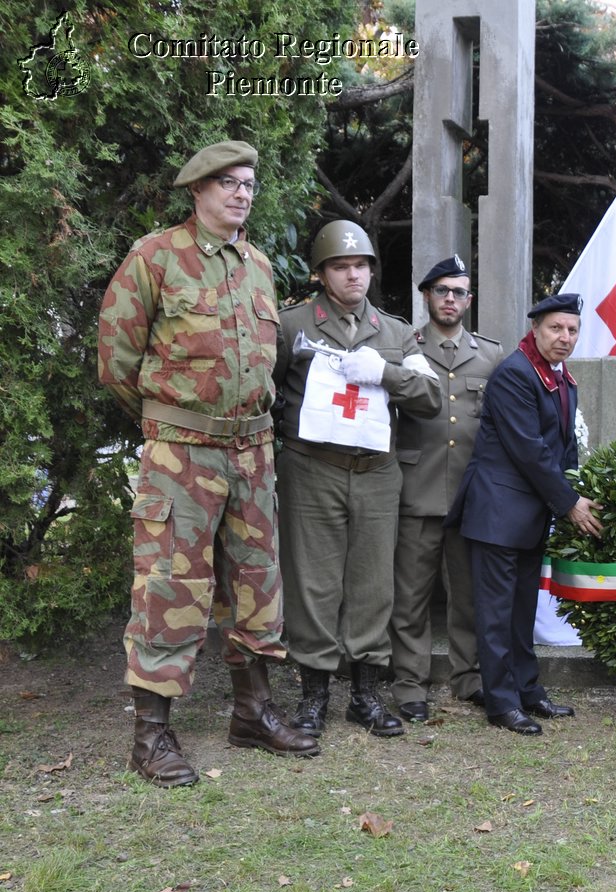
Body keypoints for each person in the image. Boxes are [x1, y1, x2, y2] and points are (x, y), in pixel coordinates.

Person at [98, 138, 317, 786]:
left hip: (252, 453)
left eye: (248, 183)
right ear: (197, 190)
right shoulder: (155, 258)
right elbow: (117, 362)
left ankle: (253, 713)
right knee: (171, 586)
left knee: (259, 587)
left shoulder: (257, 265)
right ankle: (152, 735)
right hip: (182, 455)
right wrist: (176, 421)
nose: (241, 193)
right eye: (227, 183)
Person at [275, 221, 442, 738]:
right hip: (312, 468)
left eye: (362, 265)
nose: (354, 275)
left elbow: (431, 399)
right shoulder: (292, 325)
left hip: (376, 473)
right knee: (314, 582)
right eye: (342, 266)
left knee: (373, 583)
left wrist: (385, 373)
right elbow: (268, 388)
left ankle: (365, 695)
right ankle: (314, 696)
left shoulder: (396, 333)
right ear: (322, 273)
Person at [447, 292, 604, 736]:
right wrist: (570, 503)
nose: (565, 337)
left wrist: (577, 490)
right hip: (497, 512)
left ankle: (527, 690)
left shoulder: (563, 380)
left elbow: (564, 450)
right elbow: (529, 451)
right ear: (535, 329)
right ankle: (501, 702)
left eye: (572, 330)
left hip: (532, 515)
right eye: (556, 328)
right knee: (496, 613)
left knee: (521, 611)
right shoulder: (515, 374)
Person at [386, 256, 505, 722]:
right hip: (415, 489)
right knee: (410, 596)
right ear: (427, 296)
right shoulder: (404, 348)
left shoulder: (491, 355)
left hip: (470, 496)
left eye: (459, 292)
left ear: (469, 300)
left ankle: (469, 676)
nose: (450, 299)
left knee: (469, 593)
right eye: (442, 291)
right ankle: (410, 683)